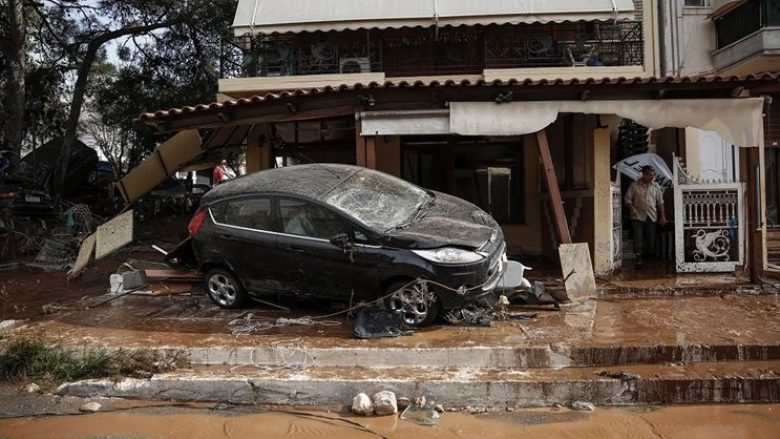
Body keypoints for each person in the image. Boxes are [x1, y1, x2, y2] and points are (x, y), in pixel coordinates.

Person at [624, 165, 666, 268]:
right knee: (638, 238)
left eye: (653, 175)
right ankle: (638, 259)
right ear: (644, 174)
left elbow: (660, 202)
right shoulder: (634, 185)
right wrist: (632, 208)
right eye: (649, 175)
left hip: (651, 216)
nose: (651, 177)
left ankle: (649, 258)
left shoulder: (656, 186)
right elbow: (627, 199)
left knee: (651, 239)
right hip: (638, 216)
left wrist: (663, 216)